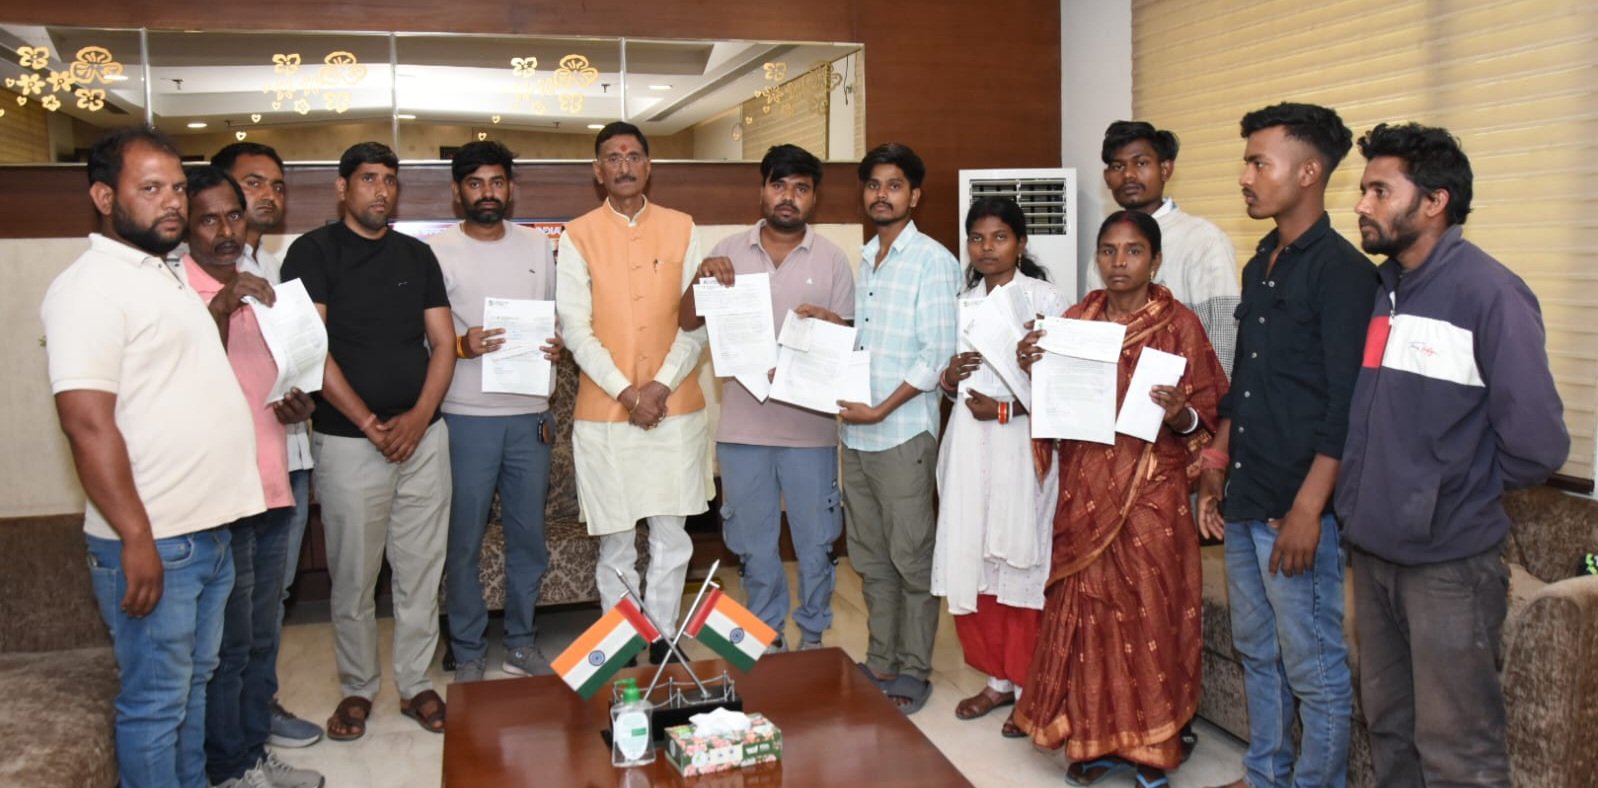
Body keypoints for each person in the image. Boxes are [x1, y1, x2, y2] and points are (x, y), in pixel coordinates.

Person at [1338, 122, 1567, 788]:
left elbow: (1539, 445)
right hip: (1374, 553)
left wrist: (1447, 492)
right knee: (1390, 730)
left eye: (1380, 191)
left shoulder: (1489, 293)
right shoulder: (1385, 289)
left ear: (1434, 202)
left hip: (1449, 566)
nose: (1362, 204)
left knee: (1456, 751)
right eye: (1363, 189)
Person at [41, 126, 262, 788]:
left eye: (177, 188)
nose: (172, 202)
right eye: (151, 188)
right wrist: (135, 537)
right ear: (104, 197)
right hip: (156, 539)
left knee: (191, 689)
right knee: (156, 706)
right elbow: (86, 424)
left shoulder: (162, 275)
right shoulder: (89, 288)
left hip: (205, 532)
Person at [1015, 211, 1227, 788]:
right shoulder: (1075, 322)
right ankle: (1094, 737)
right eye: (1108, 250)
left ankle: (1152, 746)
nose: (1119, 262)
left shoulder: (1179, 326)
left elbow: (1210, 418)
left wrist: (1180, 414)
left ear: (1155, 260)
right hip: (1085, 493)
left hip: (1153, 500)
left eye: (1133, 251)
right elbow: (1054, 407)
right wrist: (1034, 365)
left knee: (1149, 615)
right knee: (1091, 616)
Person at [1196, 102, 1373, 788]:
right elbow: (1245, 381)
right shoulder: (1260, 265)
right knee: (1257, 650)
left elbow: (1345, 405)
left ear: (1308, 172)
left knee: (1313, 664)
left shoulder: (1343, 273)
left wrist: (1309, 509)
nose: (1245, 177)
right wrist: (1216, 462)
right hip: (1247, 492)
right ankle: (1265, 772)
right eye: (1246, 162)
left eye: (1257, 163)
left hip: (1296, 509)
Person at [281, 141, 455, 740]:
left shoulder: (417, 254)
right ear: (342, 187)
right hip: (348, 441)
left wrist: (419, 417)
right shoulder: (312, 252)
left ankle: (416, 683)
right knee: (354, 577)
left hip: (424, 439)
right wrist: (369, 424)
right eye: (369, 179)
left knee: (420, 572)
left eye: (389, 180)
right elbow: (311, 348)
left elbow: (444, 343)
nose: (381, 190)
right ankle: (357, 688)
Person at [178, 166, 324, 788]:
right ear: (186, 227)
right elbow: (182, 380)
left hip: (273, 476)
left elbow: (279, 375)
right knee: (226, 646)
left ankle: (254, 746)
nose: (225, 231)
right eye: (208, 219)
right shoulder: (175, 289)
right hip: (221, 494)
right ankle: (229, 766)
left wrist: (299, 402)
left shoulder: (267, 284)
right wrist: (220, 304)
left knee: (263, 633)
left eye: (233, 216)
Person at [679, 144, 855, 651]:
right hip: (743, 430)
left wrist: (831, 324)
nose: (788, 197)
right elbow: (686, 320)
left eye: (801, 188)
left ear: (814, 198)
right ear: (763, 189)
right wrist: (701, 277)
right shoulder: (727, 250)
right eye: (779, 185)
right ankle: (765, 636)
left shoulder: (833, 260)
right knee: (754, 546)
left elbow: (847, 344)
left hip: (810, 431)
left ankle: (813, 637)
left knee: (816, 544)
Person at [555, 122, 710, 655]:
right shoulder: (577, 235)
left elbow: (698, 319)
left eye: (634, 155)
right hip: (605, 413)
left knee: (672, 536)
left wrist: (660, 387)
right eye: (613, 157)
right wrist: (627, 393)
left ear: (648, 166)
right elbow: (575, 329)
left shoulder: (683, 227)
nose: (624, 165)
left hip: (676, 408)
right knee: (616, 541)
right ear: (598, 171)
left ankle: (665, 640)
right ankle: (622, 642)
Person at [428, 140, 564, 682]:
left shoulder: (537, 245)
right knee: (462, 540)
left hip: (530, 415)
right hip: (466, 417)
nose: (488, 192)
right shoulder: (437, 251)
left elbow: (551, 315)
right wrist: (463, 345)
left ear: (510, 188)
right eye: (475, 183)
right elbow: (424, 339)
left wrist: (555, 343)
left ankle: (521, 643)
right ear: (457, 191)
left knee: (528, 539)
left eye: (497, 182)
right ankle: (466, 649)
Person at [932, 197, 1066, 737]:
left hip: (1022, 449)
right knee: (974, 559)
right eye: (977, 238)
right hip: (969, 445)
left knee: (1019, 563)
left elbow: (1066, 391)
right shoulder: (961, 302)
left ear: (1021, 243)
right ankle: (995, 681)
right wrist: (949, 376)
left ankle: (1029, 688)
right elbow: (948, 383)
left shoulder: (1046, 300)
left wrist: (1006, 410)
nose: (987, 248)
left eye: (1000, 237)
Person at [837, 143, 961, 715]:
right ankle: (881, 658)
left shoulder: (933, 261)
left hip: (901, 431)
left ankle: (914, 668)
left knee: (911, 558)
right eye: (873, 185)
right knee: (870, 557)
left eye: (894, 185)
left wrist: (881, 409)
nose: (881, 195)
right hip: (857, 433)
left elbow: (936, 355)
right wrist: (831, 326)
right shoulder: (868, 259)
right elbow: (871, 339)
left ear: (914, 196)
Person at [1089, 120, 1240, 374]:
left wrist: (1213, 398)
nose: (1128, 175)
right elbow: (1093, 331)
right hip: (1112, 389)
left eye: (1141, 163)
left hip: (1184, 391)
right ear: (1107, 178)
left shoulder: (1203, 239)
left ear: (1165, 169)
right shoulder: (1106, 248)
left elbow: (1224, 335)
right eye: (1118, 166)